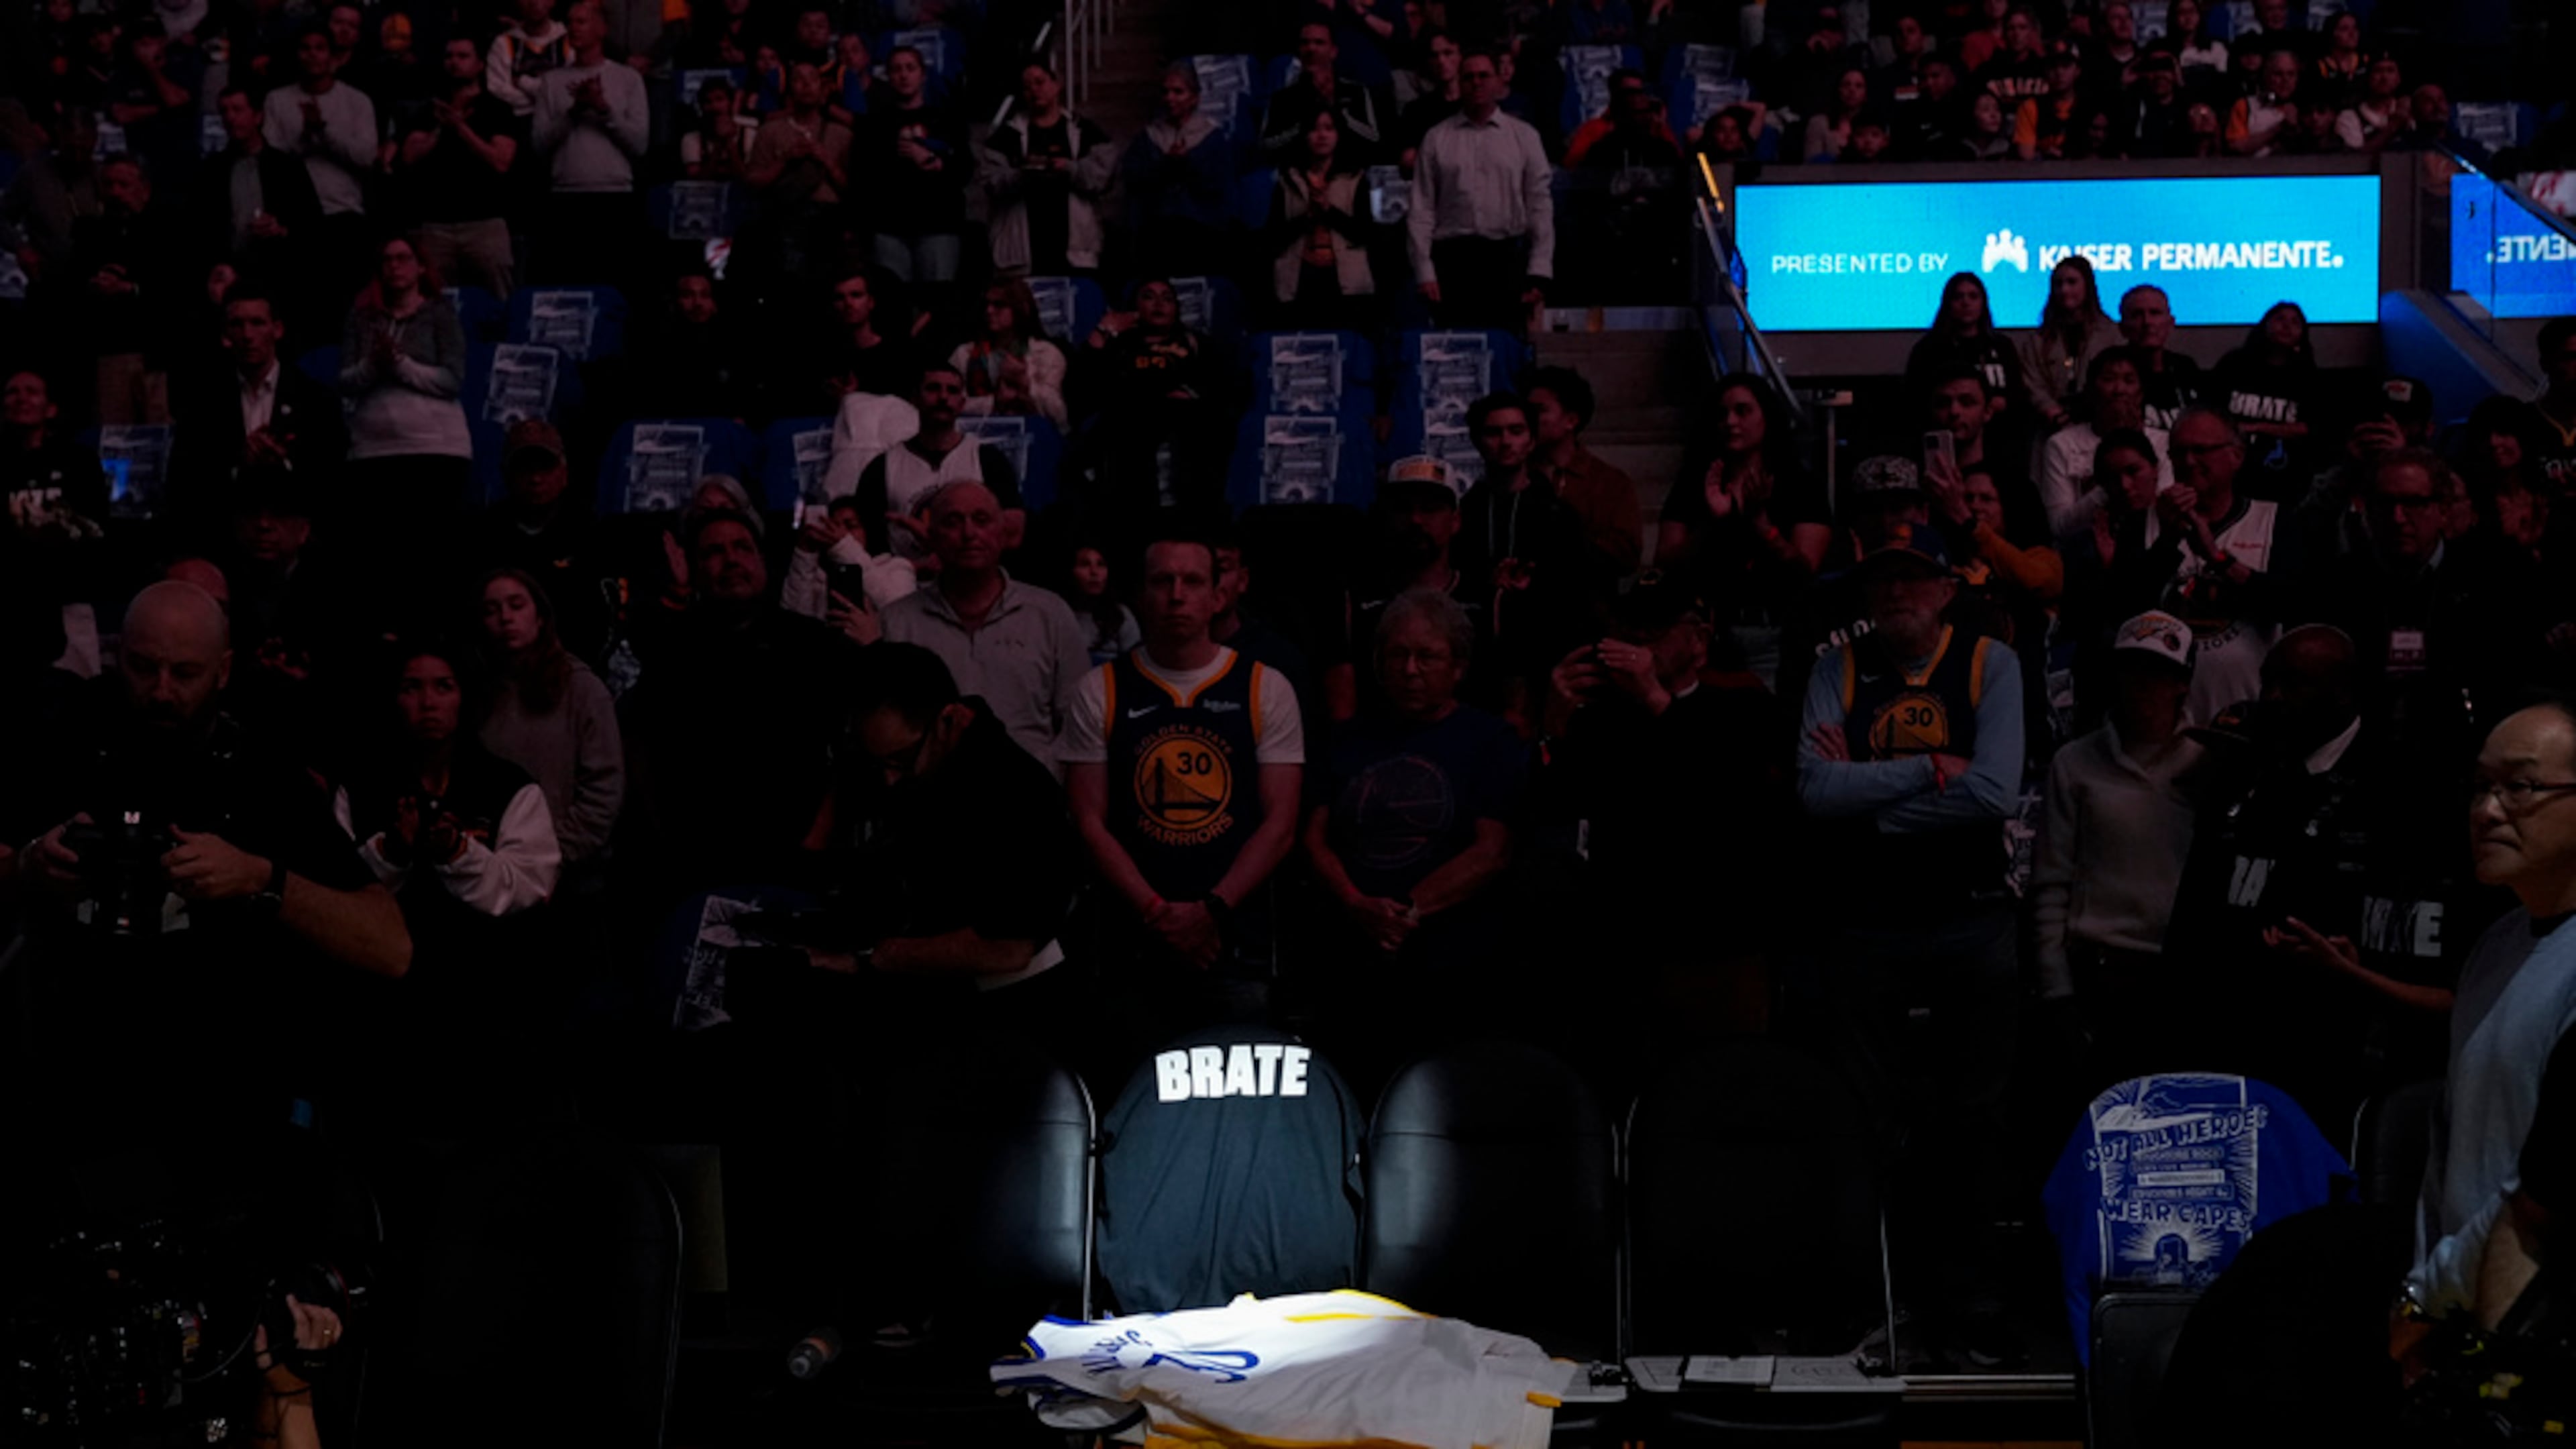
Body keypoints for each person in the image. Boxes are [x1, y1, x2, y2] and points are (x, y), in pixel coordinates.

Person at [1, 581, 410, 1147]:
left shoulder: (263, 774)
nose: (161, 692)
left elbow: (390, 947)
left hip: (223, 1094)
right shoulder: (69, 736)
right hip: (75, 1077)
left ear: (223, 671)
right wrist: (27, 866)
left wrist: (259, 879)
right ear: (119, 654)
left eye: (185, 674)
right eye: (143, 668)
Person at [1795, 523, 2025, 1360]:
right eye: (1881, 583)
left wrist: (1872, 803)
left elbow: (1997, 790)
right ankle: (1874, 1298)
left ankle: (1977, 1303)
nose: (1896, 594)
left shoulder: (1989, 662)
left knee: (1978, 1120)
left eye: (1912, 580)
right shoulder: (1836, 668)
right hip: (1867, 926)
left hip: (1972, 918)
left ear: (1944, 589)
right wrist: (1932, 770)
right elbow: (1816, 794)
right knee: (1864, 1121)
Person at [2159, 626, 2459, 1127]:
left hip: (2340, 1048)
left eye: (2293, 684)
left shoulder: (2399, 781)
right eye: (2268, 682)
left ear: (2342, 690)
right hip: (2233, 1032)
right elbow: (2197, 906)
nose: (2273, 697)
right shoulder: (2248, 764)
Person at [1061, 526, 1305, 1042]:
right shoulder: (1099, 689)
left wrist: (1210, 912)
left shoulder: (1266, 687)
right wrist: (1160, 915)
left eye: (1192, 581)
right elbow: (1087, 821)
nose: (1176, 594)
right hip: (1133, 947)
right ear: (1139, 594)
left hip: (1238, 945)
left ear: (1219, 594)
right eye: (1162, 581)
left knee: (1240, 1108)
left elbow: (1281, 825)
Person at [1303, 587, 1523, 1087]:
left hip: (1455, 971)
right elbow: (1314, 840)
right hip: (1354, 966)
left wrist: (1403, 911)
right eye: (1398, 655)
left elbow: (1492, 853)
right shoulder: (1344, 740)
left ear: (1459, 667)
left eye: (1427, 656)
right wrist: (1357, 903)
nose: (1410, 669)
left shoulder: (1490, 741)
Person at [337, 640, 558, 1106]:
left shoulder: (509, 787)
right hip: (383, 1006)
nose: (428, 703)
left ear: (465, 697)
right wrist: (393, 850)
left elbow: (527, 886)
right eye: (412, 688)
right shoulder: (359, 787)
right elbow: (332, 894)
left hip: (487, 1004)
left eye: (443, 687)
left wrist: (458, 853)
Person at [2411, 700, 2576, 1316]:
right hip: (2451, 1311)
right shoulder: (2493, 946)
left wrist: (2425, 1300)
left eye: (2522, 787)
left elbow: (2542, 1194)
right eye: (2481, 787)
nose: (2487, 811)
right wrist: (2420, 1289)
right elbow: (2446, 1156)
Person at [621, 504, 864, 890]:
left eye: (742, 548)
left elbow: (854, 746)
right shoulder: (670, 651)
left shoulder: (815, 645)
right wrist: (662, 836)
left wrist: (819, 834)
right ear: (695, 570)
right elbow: (638, 747)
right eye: (714, 552)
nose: (731, 560)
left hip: (800, 865)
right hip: (695, 870)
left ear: (764, 561)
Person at [2031, 609, 2203, 1087]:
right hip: (2099, 971)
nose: (2144, 687)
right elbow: (2050, 883)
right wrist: (2057, 993)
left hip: (2182, 976)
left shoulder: (2210, 765)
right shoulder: (2075, 763)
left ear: (2182, 685)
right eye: (2133, 673)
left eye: (2159, 675)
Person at [879, 480, 1093, 769]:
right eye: (953, 522)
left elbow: (1081, 729)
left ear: (1003, 533)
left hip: (1033, 799)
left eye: (981, 520)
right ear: (931, 537)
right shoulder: (897, 623)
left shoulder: (1049, 614)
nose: (969, 533)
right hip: (931, 802)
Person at [1656, 373, 1830, 686]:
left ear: (1766, 417)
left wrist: (1763, 527)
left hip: (1774, 632)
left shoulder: (1800, 485)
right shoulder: (1695, 483)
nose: (1730, 422)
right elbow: (1666, 562)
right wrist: (1712, 522)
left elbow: (1806, 569)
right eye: (1722, 414)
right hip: (1709, 633)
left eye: (1743, 411)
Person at [476, 568, 622, 873]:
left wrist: (550, 856)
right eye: (492, 610)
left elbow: (603, 791)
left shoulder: (581, 689)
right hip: (489, 870)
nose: (505, 617)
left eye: (517, 606)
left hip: (571, 876)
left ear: (539, 616)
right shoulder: (476, 692)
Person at [1406, 46, 1552, 333]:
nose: (1477, 82)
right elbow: (1421, 209)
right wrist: (1424, 270)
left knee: (1508, 353)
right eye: (1469, 76)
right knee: (1455, 359)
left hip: (1506, 259)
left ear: (1499, 81)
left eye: (1484, 75)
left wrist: (1539, 270)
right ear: (1459, 83)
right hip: (1453, 261)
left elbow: (1539, 206)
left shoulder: (1524, 136)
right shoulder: (1437, 138)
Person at [337, 234, 472, 537]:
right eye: (387, 260)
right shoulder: (361, 317)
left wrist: (401, 365)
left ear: (421, 267)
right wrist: (374, 365)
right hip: (373, 451)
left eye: (403, 259)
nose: (394, 266)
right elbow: (345, 380)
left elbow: (453, 379)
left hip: (434, 448)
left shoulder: (441, 313)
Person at [173, 286, 347, 513]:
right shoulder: (203, 404)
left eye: (257, 323)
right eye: (237, 325)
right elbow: (186, 479)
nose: (247, 335)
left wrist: (283, 465)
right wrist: (238, 466)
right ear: (225, 336)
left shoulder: (315, 399)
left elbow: (332, 475)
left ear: (277, 329)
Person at [852, 363, 1027, 568]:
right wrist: (913, 569)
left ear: (962, 404)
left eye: (952, 391)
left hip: (971, 583)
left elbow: (1014, 536)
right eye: (933, 388)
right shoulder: (881, 468)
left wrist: (946, 550)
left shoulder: (989, 461)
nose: (943, 397)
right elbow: (866, 544)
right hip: (906, 589)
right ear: (914, 399)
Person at [388, 40, 522, 300]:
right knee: (435, 301)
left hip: (485, 223)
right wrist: (442, 127)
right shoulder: (427, 112)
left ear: (479, 64)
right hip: (436, 226)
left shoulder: (497, 109)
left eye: (463, 56)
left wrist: (461, 127)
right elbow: (409, 157)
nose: (454, 62)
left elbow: (501, 162)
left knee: (501, 299)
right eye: (449, 56)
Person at [0, 370, 112, 678]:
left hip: (69, 603)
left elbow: (99, 529)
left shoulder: (79, 461)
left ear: (51, 407)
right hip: (10, 607)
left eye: (32, 391)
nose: (21, 398)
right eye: (13, 391)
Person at [529, 0, 648, 281]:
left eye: (581, 22)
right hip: (565, 199)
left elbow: (639, 144)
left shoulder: (628, 79)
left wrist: (603, 109)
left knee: (615, 284)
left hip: (614, 199)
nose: (572, 28)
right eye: (570, 22)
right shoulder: (552, 82)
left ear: (602, 29)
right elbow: (539, 145)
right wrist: (574, 112)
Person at [65, 153, 181, 425]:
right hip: (109, 353)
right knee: (116, 445)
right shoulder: (88, 234)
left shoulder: (169, 229)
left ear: (145, 189)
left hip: (159, 353)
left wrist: (131, 288)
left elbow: (177, 285)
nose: (115, 193)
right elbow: (73, 286)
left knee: (162, 437)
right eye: (108, 185)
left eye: (123, 185)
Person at [260, 22, 376, 294]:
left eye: (320, 48)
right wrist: (306, 135)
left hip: (344, 216)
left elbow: (366, 157)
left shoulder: (357, 101)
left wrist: (324, 132)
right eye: (306, 49)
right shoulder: (277, 100)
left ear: (333, 57)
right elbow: (269, 159)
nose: (313, 55)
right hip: (294, 221)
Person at [197, 85, 324, 323]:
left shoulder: (286, 168)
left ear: (258, 115)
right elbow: (201, 230)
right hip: (230, 280)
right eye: (224, 111)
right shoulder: (212, 171)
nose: (230, 117)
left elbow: (314, 227)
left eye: (237, 110)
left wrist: (282, 230)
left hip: (279, 278)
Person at [979, 60, 1117, 278]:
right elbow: (990, 181)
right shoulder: (1006, 136)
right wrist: (1021, 175)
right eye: (1027, 86)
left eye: (1040, 82)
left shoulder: (1084, 131)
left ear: (1057, 84)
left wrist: (1070, 168)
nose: (1034, 90)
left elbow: (1103, 177)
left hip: (1075, 249)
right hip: (1022, 250)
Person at [857, 46, 968, 310]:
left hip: (938, 227)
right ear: (888, 76)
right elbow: (863, 176)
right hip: (889, 230)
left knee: (939, 307)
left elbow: (965, 169)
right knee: (893, 308)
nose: (903, 75)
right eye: (896, 69)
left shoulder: (945, 120)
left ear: (923, 75)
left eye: (910, 68)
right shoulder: (875, 124)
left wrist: (933, 161)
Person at [1265, 108, 1381, 334]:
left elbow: (1364, 233)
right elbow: (1274, 237)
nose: (1322, 136)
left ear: (1339, 135)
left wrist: (1329, 211)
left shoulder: (1355, 178)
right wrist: (1307, 217)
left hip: (1345, 283)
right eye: (1314, 129)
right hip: (1300, 279)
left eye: (1329, 129)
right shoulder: (1288, 180)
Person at [2037, 347, 2171, 542]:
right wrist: (2109, 486)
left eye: (2129, 381)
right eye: (2109, 380)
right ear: (2091, 391)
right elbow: (2058, 526)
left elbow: (2164, 511)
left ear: (2141, 393)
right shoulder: (2062, 445)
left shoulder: (2163, 442)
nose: (2119, 390)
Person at [1524, 366, 1642, 581]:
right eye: (1527, 410)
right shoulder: (1518, 475)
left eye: (1541, 410)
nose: (1530, 419)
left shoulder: (1610, 483)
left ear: (1571, 420)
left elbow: (1627, 555)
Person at [1121, 63, 1236, 280]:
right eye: (1165, 92)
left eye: (1178, 92)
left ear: (1195, 97)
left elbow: (1218, 187)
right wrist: (1166, 164)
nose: (1169, 98)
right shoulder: (1149, 137)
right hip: (1156, 233)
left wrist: (1186, 163)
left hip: (1200, 234)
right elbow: (1133, 177)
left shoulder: (1212, 138)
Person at [2211, 301, 2318, 486]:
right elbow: (2208, 412)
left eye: (2295, 322)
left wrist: (2257, 428)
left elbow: (2310, 428)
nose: (2287, 326)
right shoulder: (2234, 364)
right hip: (2229, 470)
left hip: (2284, 475)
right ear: (2265, 325)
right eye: (2280, 319)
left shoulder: (2308, 376)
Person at [1260, 21, 1388, 164]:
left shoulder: (1355, 92)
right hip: (1298, 176)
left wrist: (1338, 113)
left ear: (1333, 51)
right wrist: (1303, 124)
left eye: (1319, 43)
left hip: (1346, 177)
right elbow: (1266, 147)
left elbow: (1374, 141)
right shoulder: (1282, 98)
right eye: (1305, 43)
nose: (1311, 48)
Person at [1906, 272, 2025, 427]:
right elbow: (1916, 399)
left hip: (2000, 433)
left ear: (1983, 303)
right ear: (1948, 303)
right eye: (1958, 297)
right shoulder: (1928, 349)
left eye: (1973, 296)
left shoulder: (2003, 346)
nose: (1966, 302)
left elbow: (2019, 396)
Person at [949, 276, 1069, 428]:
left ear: (1021, 309)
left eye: (999, 305)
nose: (989, 311)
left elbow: (1059, 417)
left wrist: (1025, 384)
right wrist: (994, 402)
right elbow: (949, 405)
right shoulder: (964, 354)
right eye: (987, 304)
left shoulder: (1046, 354)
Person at [2022, 255, 2122, 433]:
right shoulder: (2038, 339)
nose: (2064, 289)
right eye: (2058, 284)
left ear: (2087, 286)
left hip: (2099, 425)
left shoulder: (2111, 334)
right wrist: (2052, 411)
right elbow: (2032, 383)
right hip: (2051, 427)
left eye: (2072, 282)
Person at [2117, 284, 2203, 433]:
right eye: (2137, 315)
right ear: (2122, 328)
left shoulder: (2185, 369)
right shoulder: (2113, 373)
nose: (2147, 322)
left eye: (2155, 313)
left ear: (2170, 323)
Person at [1061, 539, 1140, 664]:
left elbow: (1135, 664)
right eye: (1085, 564)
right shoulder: (1059, 614)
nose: (1094, 572)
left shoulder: (1120, 615)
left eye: (1101, 564)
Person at [484, 0, 568, 118]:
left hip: (563, 119)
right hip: (519, 120)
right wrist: (544, 101)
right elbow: (497, 87)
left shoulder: (568, 40)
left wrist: (523, 83)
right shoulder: (503, 43)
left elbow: (570, 86)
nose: (534, 2)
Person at [2226, 48, 2303, 156]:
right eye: (2278, 74)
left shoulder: (2308, 108)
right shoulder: (2245, 105)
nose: (2285, 80)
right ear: (2265, 75)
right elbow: (2237, 147)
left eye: (2291, 74)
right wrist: (2279, 129)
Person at [679, 74, 757, 180]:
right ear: (702, 107)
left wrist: (729, 142)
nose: (714, 107)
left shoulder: (749, 134)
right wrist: (718, 145)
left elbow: (750, 178)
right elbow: (698, 182)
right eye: (708, 102)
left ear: (730, 103)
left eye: (720, 99)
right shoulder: (691, 139)